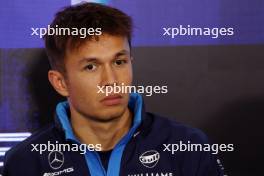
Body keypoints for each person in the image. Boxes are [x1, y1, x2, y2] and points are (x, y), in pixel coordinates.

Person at [2, 2, 224, 176]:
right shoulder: (25, 162)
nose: (111, 80)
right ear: (60, 82)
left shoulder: (187, 147)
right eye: (91, 66)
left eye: (119, 62)